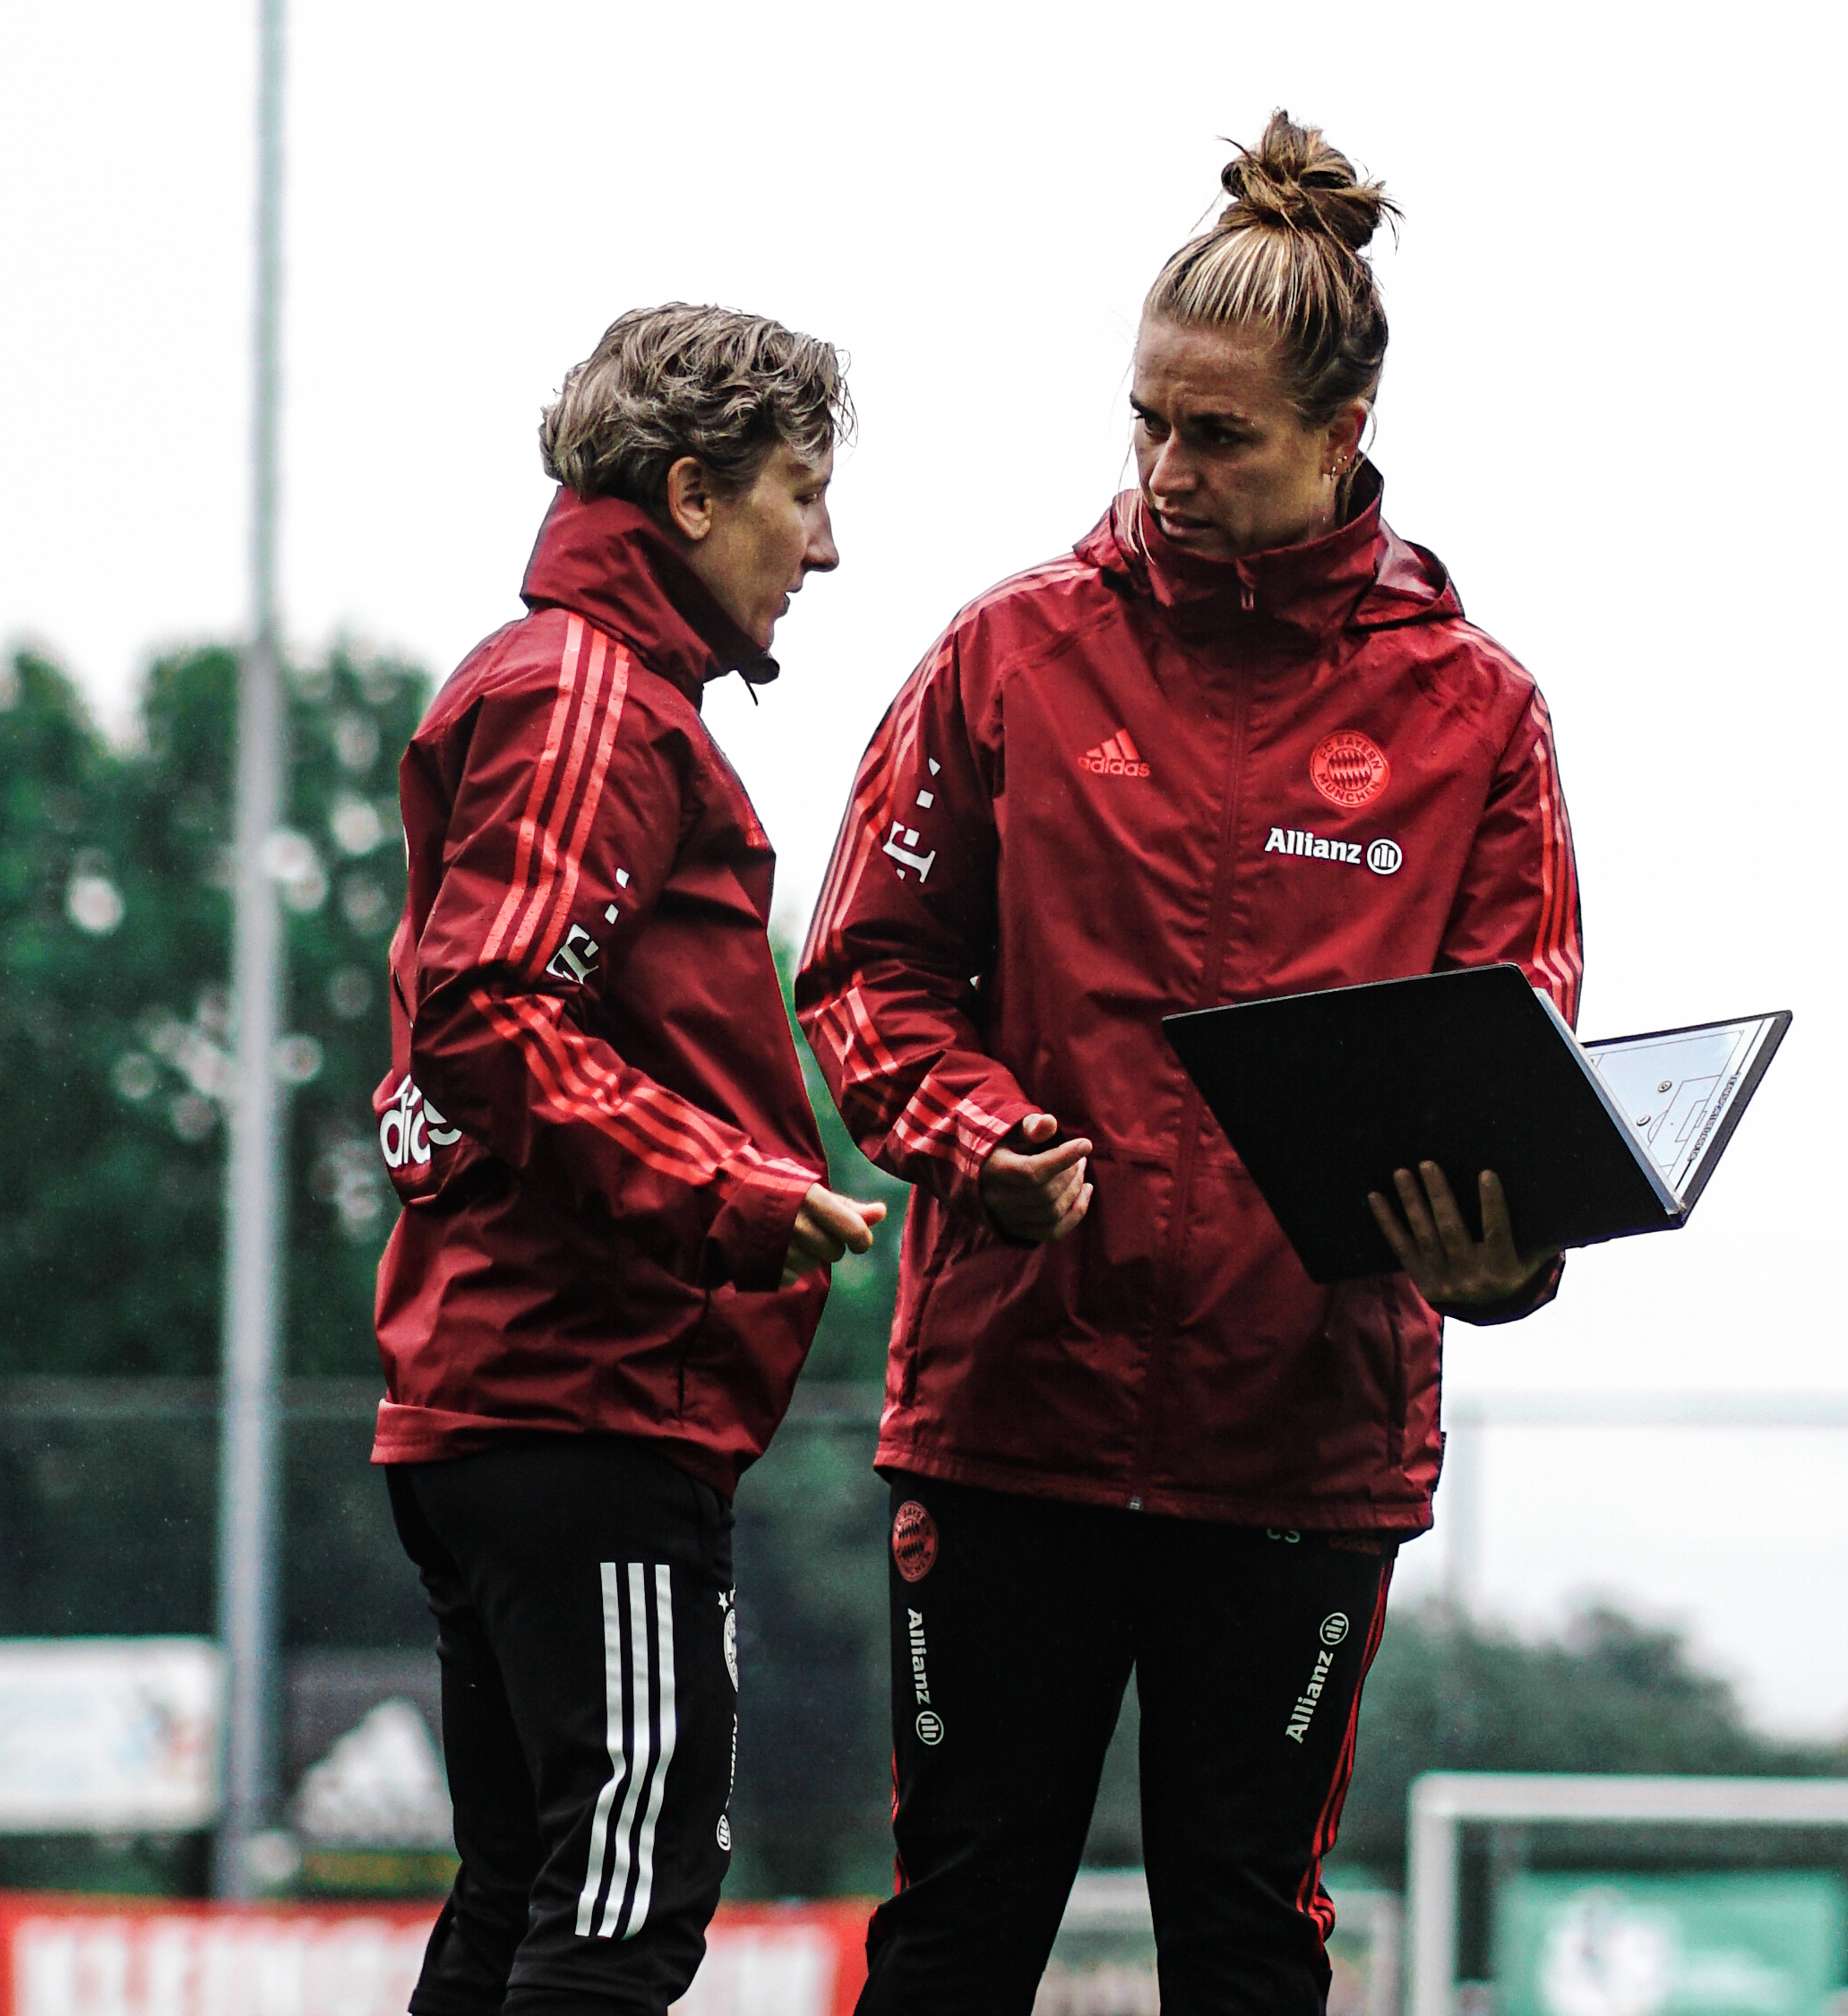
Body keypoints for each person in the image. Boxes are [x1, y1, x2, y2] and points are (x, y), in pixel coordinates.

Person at [796, 113, 1583, 2014]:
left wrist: (1507, 1258)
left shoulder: (1474, 717)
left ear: (1345, 425)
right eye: (1144, 419)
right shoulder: (1004, 657)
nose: (1166, 469)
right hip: (1009, 1416)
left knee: (1243, 1934)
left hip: (1298, 1445)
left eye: (1214, 435)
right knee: (959, 1918)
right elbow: (866, 971)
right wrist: (970, 1131)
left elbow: (1518, 1073)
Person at [369, 303, 886, 2016]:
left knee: (531, 1883)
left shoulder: (559, 686)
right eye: (800, 494)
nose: (826, 543)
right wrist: (733, 1193)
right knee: (620, 1906)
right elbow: (490, 1012)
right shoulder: (590, 698)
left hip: (512, 1391)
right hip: (588, 1397)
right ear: (686, 492)